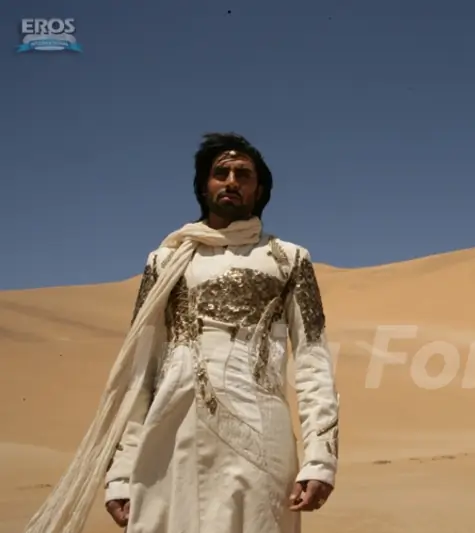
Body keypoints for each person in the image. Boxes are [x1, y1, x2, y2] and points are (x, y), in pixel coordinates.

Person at [24, 132, 339, 533]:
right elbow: (142, 369)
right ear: (203, 185)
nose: (230, 181)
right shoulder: (166, 259)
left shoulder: (289, 259)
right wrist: (121, 472)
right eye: (220, 173)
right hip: (172, 440)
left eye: (243, 174)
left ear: (259, 189)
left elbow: (313, 361)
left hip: (259, 438)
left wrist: (320, 459)